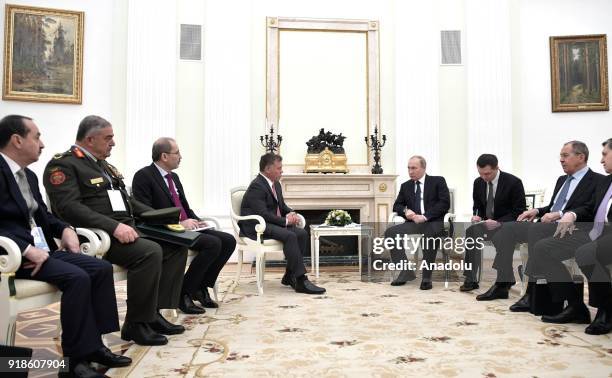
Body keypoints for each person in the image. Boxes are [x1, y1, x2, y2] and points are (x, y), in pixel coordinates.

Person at [0, 115, 131, 377]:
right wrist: (26, 249)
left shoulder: (28, 176)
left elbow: (43, 217)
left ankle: (94, 345)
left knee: (100, 268)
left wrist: (65, 229)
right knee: (78, 277)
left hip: (42, 251)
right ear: (17, 140)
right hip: (13, 256)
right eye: (36, 137)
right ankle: (74, 361)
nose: (42, 144)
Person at [43, 115, 187, 346]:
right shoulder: (64, 165)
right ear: (90, 139)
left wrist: (165, 216)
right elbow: (68, 208)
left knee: (176, 244)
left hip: (125, 228)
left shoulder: (105, 166)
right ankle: (136, 324)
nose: (113, 143)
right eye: (108, 138)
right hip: (96, 235)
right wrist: (113, 226)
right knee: (150, 252)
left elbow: (127, 201)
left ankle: (153, 314)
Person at [479, 141, 601, 302]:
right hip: (547, 224)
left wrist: (561, 213)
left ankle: (532, 291)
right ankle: (503, 282)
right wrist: (536, 211)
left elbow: (590, 208)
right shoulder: (562, 179)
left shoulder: (598, 180)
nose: (561, 160)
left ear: (580, 157)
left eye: (565, 156)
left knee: (536, 231)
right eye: (560, 156)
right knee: (506, 229)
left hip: (569, 229)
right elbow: (552, 207)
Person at [132, 137, 235, 313]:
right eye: (177, 152)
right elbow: (146, 213)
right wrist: (178, 223)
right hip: (165, 230)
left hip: (185, 227)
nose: (181, 156)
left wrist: (197, 220)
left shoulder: (174, 177)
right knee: (213, 244)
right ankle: (184, 293)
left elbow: (184, 206)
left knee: (228, 240)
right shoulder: (144, 176)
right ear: (164, 156)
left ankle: (200, 286)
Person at [527, 138, 612, 334]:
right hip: (593, 232)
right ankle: (575, 305)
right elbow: (590, 207)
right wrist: (570, 214)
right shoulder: (607, 181)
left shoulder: (597, 179)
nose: (601, 161)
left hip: (602, 235)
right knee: (543, 248)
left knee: (585, 253)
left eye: (605, 155)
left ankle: (605, 309)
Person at [239, 153, 325, 294]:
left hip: (270, 223)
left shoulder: (276, 184)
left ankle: (289, 275)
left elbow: (282, 207)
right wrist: (285, 221)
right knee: (290, 236)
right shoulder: (257, 186)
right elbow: (262, 214)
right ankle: (301, 279)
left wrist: (292, 214)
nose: (281, 171)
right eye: (279, 168)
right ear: (267, 169)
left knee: (301, 233)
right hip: (256, 227)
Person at [460, 154, 526, 292]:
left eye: (487, 173)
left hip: (507, 225)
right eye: (480, 173)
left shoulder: (513, 182)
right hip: (487, 223)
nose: (484, 177)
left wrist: (498, 222)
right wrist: (477, 216)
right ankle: (471, 278)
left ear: (497, 168)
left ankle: (504, 278)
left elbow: (518, 212)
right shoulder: (478, 182)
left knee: (500, 236)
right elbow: (477, 205)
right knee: (471, 232)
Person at [385, 155, 450, 290]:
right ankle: (405, 271)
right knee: (391, 232)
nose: (410, 171)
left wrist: (425, 217)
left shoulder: (437, 181)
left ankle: (426, 276)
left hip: (434, 222)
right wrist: (406, 211)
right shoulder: (405, 186)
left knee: (429, 236)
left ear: (423, 168)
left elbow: (444, 204)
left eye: (414, 168)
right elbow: (397, 206)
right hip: (414, 223)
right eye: (408, 168)